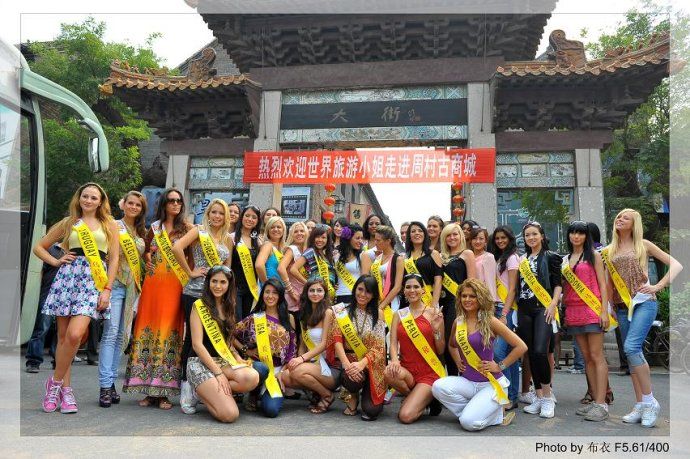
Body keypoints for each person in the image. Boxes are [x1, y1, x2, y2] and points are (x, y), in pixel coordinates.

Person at [35, 182, 120, 414]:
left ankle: (54, 383)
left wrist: (107, 289)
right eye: (85, 196)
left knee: (75, 335)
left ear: (101, 201)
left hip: (94, 281)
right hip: (68, 279)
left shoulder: (109, 225)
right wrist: (56, 261)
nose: (89, 200)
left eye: (94, 197)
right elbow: (39, 247)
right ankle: (66, 392)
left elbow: (113, 260)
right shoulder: (69, 222)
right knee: (64, 339)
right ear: (79, 198)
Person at [604, 209, 682, 427]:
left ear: (634, 223)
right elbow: (609, 281)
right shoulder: (609, 250)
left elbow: (676, 264)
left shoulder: (644, 245)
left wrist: (658, 285)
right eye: (618, 217)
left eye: (625, 217)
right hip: (621, 306)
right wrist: (609, 306)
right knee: (631, 356)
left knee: (632, 348)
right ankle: (640, 404)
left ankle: (650, 401)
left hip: (643, 303)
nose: (619, 219)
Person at [123, 187, 191, 410]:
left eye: (178, 201)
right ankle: (147, 390)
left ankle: (163, 393)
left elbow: (192, 256)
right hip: (152, 286)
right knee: (147, 331)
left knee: (168, 334)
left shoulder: (187, 229)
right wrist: (149, 257)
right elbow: (145, 250)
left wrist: (192, 274)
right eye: (170, 200)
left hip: (174, 286)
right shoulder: (154, 227)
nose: (175, 204)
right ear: (163, 204)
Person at [432, 279, 527, 431]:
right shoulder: (458, 322)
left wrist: (499, 366)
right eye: (464, 296)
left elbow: (521, 346)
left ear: (480, 298)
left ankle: (495, 416)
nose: (467, 300)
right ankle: (474, 411)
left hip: (491, 384)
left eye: (472, 296)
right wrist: (457, 360)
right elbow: (451, 345)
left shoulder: (490, 321)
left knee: (469, 424)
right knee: (437, 387)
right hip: (468, 383)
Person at [172, 198, 233, 414]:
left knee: (211, 338)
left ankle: (204, 383)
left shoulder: (227, 240)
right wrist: (190, 272)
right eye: (213, 212)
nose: (217, 216)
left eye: (221, 213)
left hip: (216, 296)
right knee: (191, 340)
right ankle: (186, 387)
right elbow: (176, 247)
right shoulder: (199, 231)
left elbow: (228, 270)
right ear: (207, 214)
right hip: (195, 292)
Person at [187, 265, 260, 422]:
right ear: (208, 283)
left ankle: (210, 391)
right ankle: (199, 391)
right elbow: (197, 345)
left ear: (229, 285)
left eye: (222, 282)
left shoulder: (229, 306)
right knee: (230, 415)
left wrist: (238, 359)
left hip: (222, 361)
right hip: (200, 363)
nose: (218, 286)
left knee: (252, 377)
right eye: (214, 281)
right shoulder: (198, 306)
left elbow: (228, 341)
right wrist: (218, 374)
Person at [97, 191, 147, 408]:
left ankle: (111, 383)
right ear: (123, 204)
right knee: (110, 334)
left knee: (121, 337)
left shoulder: (140, 231)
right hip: (115, 284)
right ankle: (105, 386)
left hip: (132, 289)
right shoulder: (113, 225)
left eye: (138, 205)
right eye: (131, 203)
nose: (134, 207)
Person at [561, 221, 611, 421]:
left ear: (586, 236)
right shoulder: (565, 259)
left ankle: (602, 403)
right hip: (573, 311)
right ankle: (593, 399)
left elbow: (603, 284)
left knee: (597, 356)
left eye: (580, 233)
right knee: (586, 357)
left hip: (591, 309)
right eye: (573, 233)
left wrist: (604, 311)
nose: (576, 236)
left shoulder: (594, 256)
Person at [516, 221, 562, 418]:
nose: (531, 238)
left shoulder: (551, 257)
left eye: (534, 234)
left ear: (542, 236)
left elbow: (558, 284)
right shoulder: (522, 260)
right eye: (527, 235)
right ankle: (539, 395)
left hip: (543, 309)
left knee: (540, 351)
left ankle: (548, 397)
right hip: (525, 310)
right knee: (531, 354)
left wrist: (553, 304)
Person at [385, 274, 445, 423]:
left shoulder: (433, 313)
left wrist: (437, 330)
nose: (412, 290)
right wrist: (394, 360)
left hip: (429, 372)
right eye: (408, 287)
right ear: (404, 291)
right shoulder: (399, 315)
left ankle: (421, 399)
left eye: (416, 287)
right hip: (407, 370)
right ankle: (420, 398)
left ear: (423, 290)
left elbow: (441, 349)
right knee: (388, 372)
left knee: (405, 416)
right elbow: (393, 343)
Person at [234, 278, 297, 417]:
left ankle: (266, 393)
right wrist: (247, 350)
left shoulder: (289, 318)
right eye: (267, 292)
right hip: (259, 368)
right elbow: (231, 335)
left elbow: (292, 350)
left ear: (280, 296)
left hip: (278, 371)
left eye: (274, 292)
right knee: (262, 368)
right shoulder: (255, 318)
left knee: (271, 410)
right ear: (262, 295)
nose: (270, 296)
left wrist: (283, 372)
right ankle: (254, 393)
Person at [333, 275, 387, 421]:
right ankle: (354, 395)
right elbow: (337, 340)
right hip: (350, 363)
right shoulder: (342, 311)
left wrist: (362, 363)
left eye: (368, 292)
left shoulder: (379, 314)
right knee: (351, 380)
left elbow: (379, 347)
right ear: (355, 289)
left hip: (372, 364)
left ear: (374, 294)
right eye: (360, 289)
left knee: (371, 410)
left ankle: (367, 394)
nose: (363, 294)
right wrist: (347, 365)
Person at [282, 279, 340, 413]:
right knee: (285, 376)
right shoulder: (304, 314)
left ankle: (326, 395)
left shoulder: (328, 313)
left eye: (319, 290)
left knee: (297, 371)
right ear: (306, 293)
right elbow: (302, 344)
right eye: (312, 290)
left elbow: (324, 344)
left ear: (325, 294)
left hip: (329, 367)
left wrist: (301, 360)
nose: (315, 293)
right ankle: (316, 393)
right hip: (312, 364)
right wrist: (301, 358)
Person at [488, 225, 521, 410]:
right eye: (497, 239)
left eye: (503, 238)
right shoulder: (499, 258)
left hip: (507, 309)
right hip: (497, 308)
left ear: (509, 239)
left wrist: (505, 314)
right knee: (510, 355)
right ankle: (512, 395)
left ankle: (507, 394)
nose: (500, 241)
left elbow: (512, 289)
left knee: (500, 353)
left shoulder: (512, 258)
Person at [439, 223, 476, 377]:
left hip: (458, 303)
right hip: (443, 304)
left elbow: (472, 282)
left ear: (461, 236)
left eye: (455, 234)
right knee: (445, 343)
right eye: (448, 235)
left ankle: (465, 378)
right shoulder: (440, 256)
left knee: (457, 341)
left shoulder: (466, 253)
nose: (452, 237)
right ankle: (452, 379)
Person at [25, 243, 62, 373]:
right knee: (42, 327)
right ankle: (33, 361)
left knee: (62, 332)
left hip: (66, 295)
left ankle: (59, 361)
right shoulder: (51, 249)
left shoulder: (77, 251)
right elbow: (39, 271)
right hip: (47, 292)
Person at [366, 225, 404, 328]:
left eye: (378, 240)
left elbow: (397, 287)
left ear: (388, 241)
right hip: (376, 300)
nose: (375, 243)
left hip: (391, 303)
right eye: (375, 240)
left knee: (389, 330)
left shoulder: (398, 259)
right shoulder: (377, 258)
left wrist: (382, 305)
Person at [229, 205, 263, 320]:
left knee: (248, 322)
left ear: (258, 221)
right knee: (236, 321)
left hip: (251, 289)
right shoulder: (231, 238)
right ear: (241, 217)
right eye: (247, 215)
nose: (250, 219)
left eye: (254, 217)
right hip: (235, 288)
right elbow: (228, 266)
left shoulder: (258, 241)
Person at [290, 224, 336, 301]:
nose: (320, 240)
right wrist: (308, 284)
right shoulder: (311, 252)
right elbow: (293, 269)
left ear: (328, 240)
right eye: (317, 237)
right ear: (313, 238)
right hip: (315, 295)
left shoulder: (327, 255)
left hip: (327, 295)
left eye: (323, 237)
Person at [403, 222, 443, 308]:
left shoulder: (433, 254)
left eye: (420, 231)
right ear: (409, 236)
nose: (417, 233)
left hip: (429, 299)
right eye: (413, 231)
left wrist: (433, 305)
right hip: (409, 299)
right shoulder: (404, 257)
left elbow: (438, 280)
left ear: (425, 234)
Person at [277, 221, 309, 318]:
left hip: (304, 294)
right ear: (291, 235)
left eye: (302, 231)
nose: (299, 233)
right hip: (293, 295)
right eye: (296, 232)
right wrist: (290, 291)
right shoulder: (292, 249)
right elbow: (281, 268)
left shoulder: (307, 250)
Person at [334, 223, 365, 304]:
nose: (361, 241)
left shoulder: (363, 256)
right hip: (338, 296)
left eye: (362, 238)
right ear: (348, 239)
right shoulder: (336, 255)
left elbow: (365, 280)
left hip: (356, 297)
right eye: (357, 238)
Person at [255, 216, 287, 285]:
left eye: (279, 227)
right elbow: (259, 265)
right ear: (268, 230)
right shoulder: (268, 245)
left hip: (280, 290)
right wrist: (266, 284)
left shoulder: (284, 249)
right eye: (272, 227)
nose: (276, 229)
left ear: (283, 230)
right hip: (270, 291)